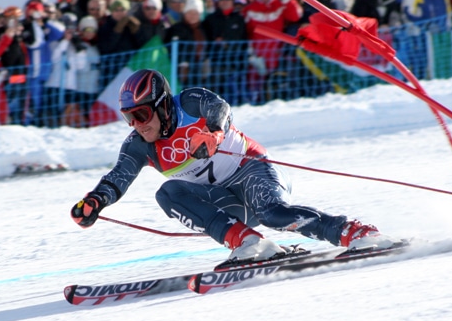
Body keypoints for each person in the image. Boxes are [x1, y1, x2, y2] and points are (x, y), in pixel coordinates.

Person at [71, 69, 396, 262]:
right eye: (129, 118)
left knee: (274, 215)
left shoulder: (187, 102)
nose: (137, 125)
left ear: (161, 106)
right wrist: (95, 202)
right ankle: (249, 243)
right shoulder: (139, 145)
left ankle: (358, 233)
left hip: (253, 170)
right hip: (222, 199)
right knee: (167, 192)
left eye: (141, 114)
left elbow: (220, 108)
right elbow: (118, 178)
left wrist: (214, 133)